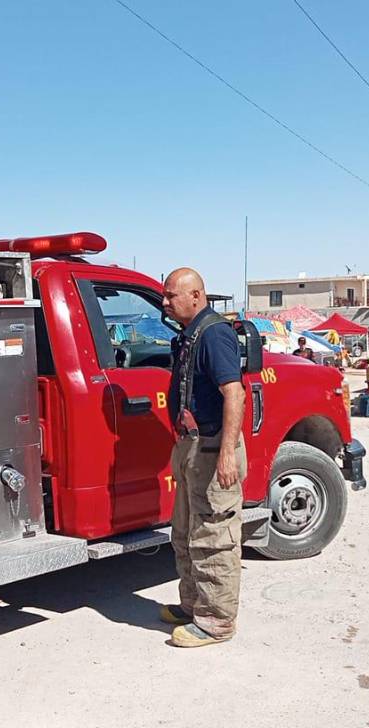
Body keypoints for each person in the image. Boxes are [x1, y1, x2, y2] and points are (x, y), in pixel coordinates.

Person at [161, 267, 247, 647]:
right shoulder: (191, 334)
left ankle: (216, 622)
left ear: (196, 296)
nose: (165, 302)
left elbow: (235, 393)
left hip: (213, 449)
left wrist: (226, 452)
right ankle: (194, 604)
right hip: (194, 447)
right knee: (186, 531)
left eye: (170, 296)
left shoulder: (214, 334)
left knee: (214, 536)